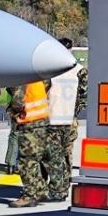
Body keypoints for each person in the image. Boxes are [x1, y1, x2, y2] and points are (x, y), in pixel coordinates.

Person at [45, 38, 86, 202]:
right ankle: (65, 183)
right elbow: (84, 96)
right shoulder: (80, 70)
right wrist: (75, 112)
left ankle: (56, 188)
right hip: (70, 119)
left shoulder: (49, 70)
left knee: (52, 156)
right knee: (67, 153)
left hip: (53, 117)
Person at [9, 77, 52, 208]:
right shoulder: (39, 75)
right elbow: (47, 84)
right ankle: (40, 190)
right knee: (37, 159)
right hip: (42, 120)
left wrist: (13, 112)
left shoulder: (21, 76)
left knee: (26, 161)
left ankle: (29, 196)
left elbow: (18, 101)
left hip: (29, 122)